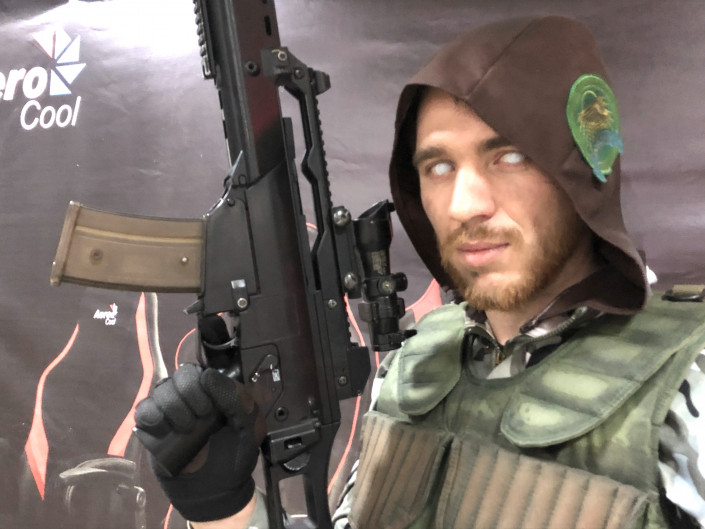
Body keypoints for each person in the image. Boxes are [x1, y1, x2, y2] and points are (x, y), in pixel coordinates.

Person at [134, 15, 705, 529]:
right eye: (438, 167)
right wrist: (225, 509)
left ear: (581, 169)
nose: (464, 205)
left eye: (510, 156)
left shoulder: (690, 379)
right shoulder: (412, 367)